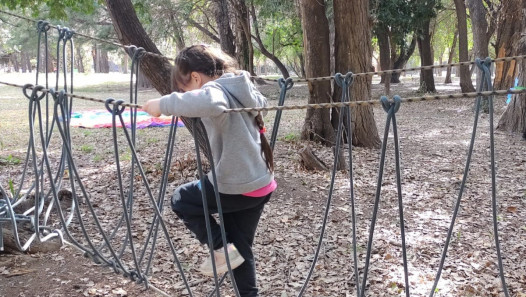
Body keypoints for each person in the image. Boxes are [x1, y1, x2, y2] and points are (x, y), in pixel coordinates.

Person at [142, 44, 276, 297]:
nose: (186, 94)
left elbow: (211, 102)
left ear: (195, 77)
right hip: (261, 183)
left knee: (181, 199)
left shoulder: (215, 89)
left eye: (185, 90)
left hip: (238, 184)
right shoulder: (240, 86)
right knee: (240, 250)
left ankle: (220, 248)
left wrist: (163, 103)